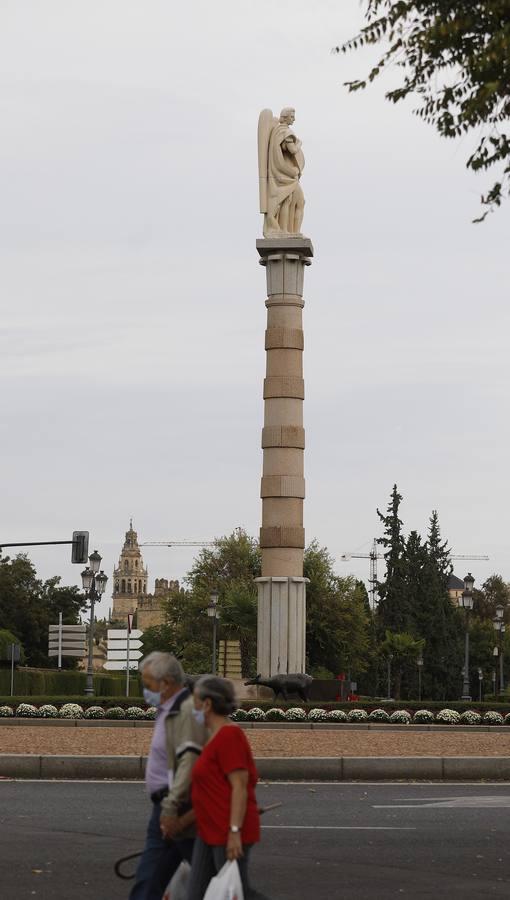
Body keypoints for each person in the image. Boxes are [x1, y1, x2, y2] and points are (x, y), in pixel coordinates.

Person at [129, 652, 206, 900]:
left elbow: (189, 763)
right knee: (149, 880)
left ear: (166, 683)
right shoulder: (167, 709)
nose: (145, 688)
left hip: (180, 807)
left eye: (148, 682)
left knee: (216, 881)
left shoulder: (185, 712)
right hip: (166, 807)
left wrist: (172, 808)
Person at [185, 676, 260, 900]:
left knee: (238, 892)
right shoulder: (214, 736)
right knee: (196, 894)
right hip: (209, 829)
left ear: (207, 704)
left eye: (195, 700)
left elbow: (240, 786)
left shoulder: (229, 736)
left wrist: (234, 831)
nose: (193, 705)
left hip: (226, 830)